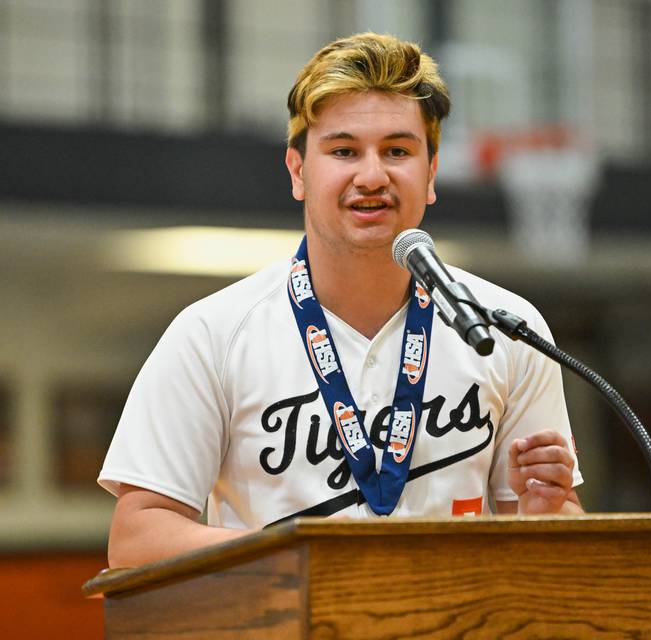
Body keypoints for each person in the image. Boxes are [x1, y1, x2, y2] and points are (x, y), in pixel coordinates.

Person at [99, 32, 583, 568]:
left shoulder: (504, 330)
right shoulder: (211, 334)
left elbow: (557, 541)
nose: (372, 176)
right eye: (344, 150)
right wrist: (307, 555)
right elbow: (137, 539)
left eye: (398, 151)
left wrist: (543, 512)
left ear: (431, 174)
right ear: (299, 171)